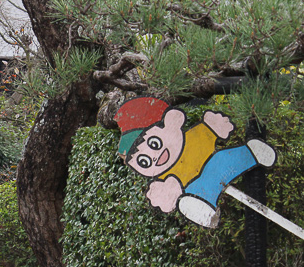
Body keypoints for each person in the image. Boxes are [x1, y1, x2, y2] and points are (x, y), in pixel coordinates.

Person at [116, 97, 276, 228]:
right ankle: (204, 205)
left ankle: (252, 153)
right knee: (199, 189)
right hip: (200, 187)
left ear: (172, 121)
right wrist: (165, 192)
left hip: (219, 164)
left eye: (154, 144)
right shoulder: (168, 178)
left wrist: (214, 125)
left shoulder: (195, 137)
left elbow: (210, 130)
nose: (154, 157)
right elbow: (170, 190)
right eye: (144, 162)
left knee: (225, 159)